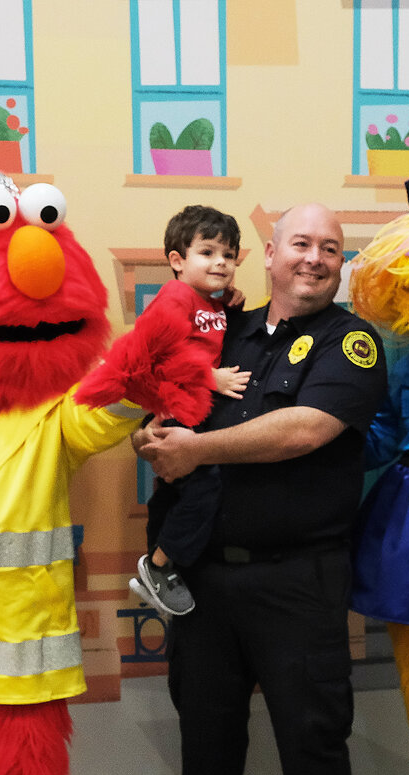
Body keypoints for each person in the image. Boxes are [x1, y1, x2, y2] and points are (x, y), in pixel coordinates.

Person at [135, 203, 388, 775]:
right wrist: (151, 433)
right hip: (203, 575)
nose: (315, 258)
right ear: (268, 255)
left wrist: (197, 451)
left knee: (311, 731)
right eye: (301, 244)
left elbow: (307, 429)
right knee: (206, 725)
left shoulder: (355, 343)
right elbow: (169, 401)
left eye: (331, 250)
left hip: (297, 576)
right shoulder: (224, 331)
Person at [127, 205, 250, 617]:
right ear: (177, 261)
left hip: (191, 409)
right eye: (208, 252)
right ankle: (159, 566)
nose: (221, 262)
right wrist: (209, 377)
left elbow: (205, 334)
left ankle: (158, 555)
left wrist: (227, 307)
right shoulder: (174, 297)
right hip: (181, 405)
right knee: (204, 487)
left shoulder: (203, 302)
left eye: (229, 255)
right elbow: (156, 352)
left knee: (176, 490)